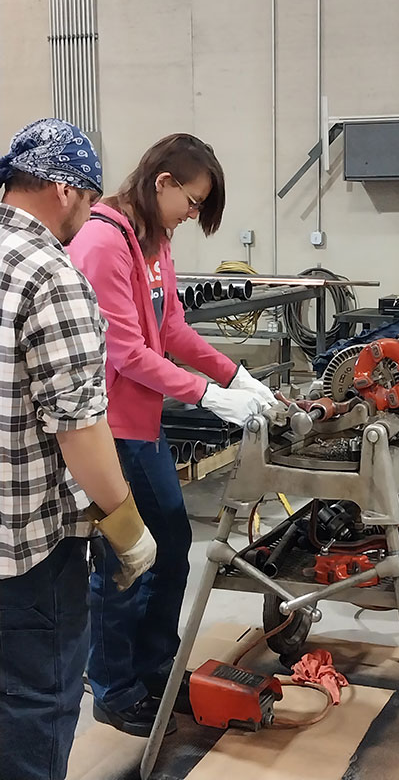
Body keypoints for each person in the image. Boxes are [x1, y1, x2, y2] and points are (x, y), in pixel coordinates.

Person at [68, 133, 274, 737]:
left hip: (144, 425)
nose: (191, 215)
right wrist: (210, 397)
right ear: (162, 182)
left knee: (173, 544)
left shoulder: (154, 242)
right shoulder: (104, 242)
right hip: (107, 431)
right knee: (126, 560)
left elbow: (173, 330)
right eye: (192, 201)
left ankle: (157, 667)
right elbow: (127, 351)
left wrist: (238, 376)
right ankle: (113, 686)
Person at [0, 118, 157, 780]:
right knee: (36, 702)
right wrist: (127, 526)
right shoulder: (50, 274)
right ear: (64, 190)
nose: (86, 217)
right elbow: (79, 430)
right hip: (25, 554)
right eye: (89, 201)